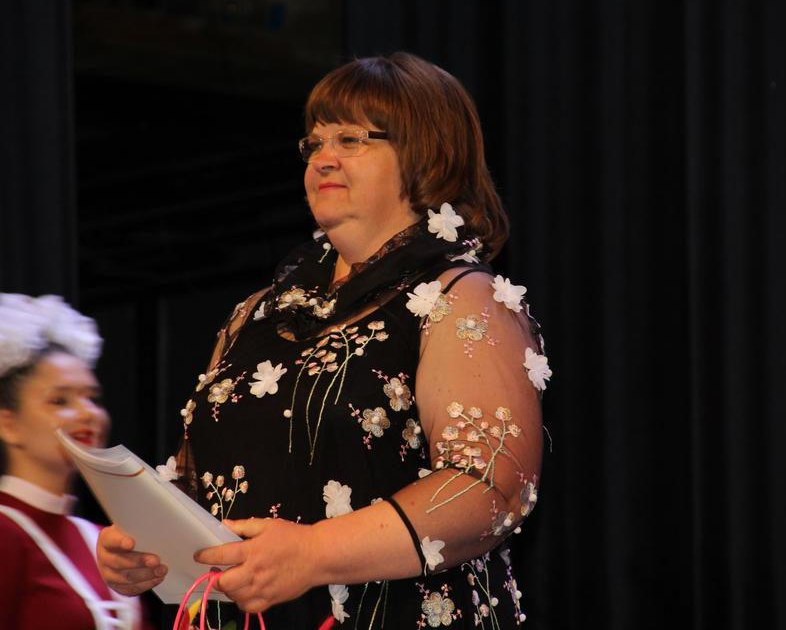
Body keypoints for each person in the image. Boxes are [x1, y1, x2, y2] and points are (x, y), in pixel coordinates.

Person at [98, 52, 551, 628]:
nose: (323, 157)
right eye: (314, 143)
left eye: (351, 139)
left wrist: (313, 554)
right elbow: (200, 484)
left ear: (427, 154)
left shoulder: (462, 297)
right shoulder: (255, 314)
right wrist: (149, 542)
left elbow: (489, 488)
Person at [0, 293, 147, 630]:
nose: (88, 413)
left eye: (92, 398)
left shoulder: (100, 538)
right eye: (60, 400)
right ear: (7, 425)